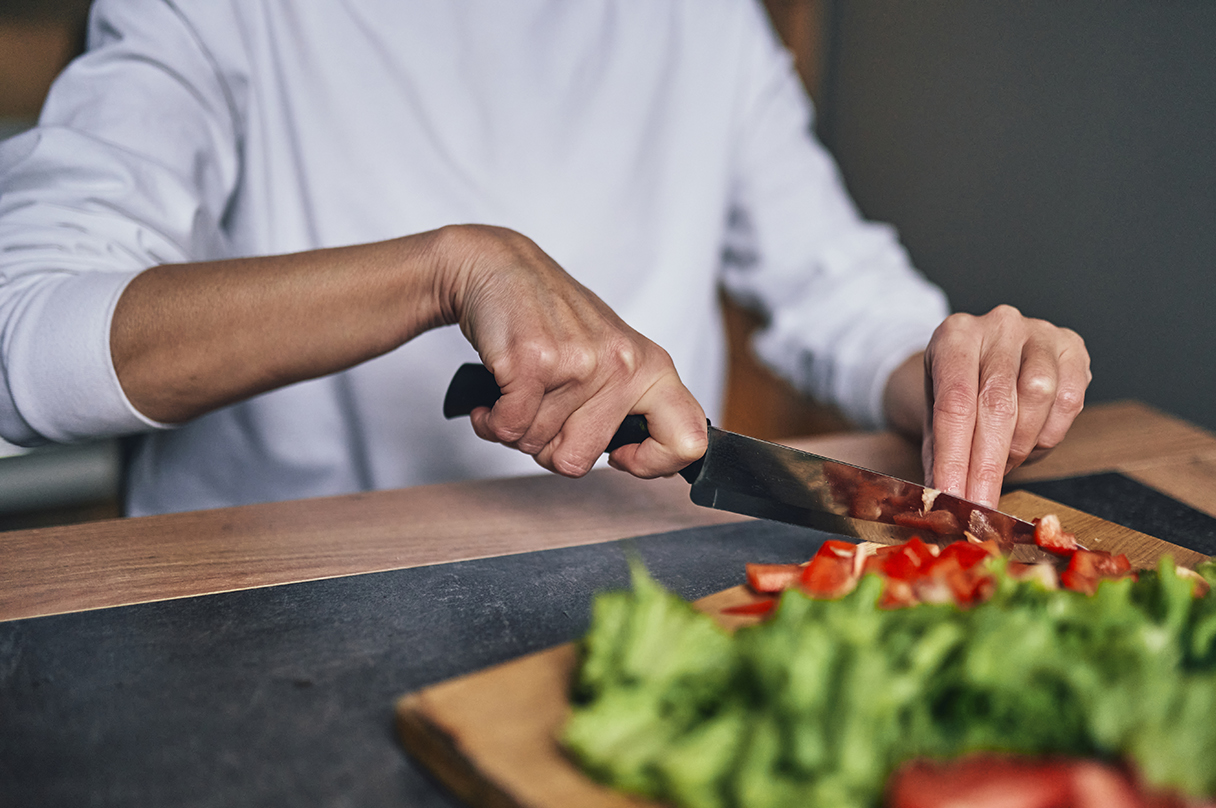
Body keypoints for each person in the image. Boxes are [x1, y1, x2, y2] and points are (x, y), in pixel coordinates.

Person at [0, 0, 1089, 517]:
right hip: (256, 618)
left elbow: (835, 284)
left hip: (626, 584)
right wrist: (450, 269)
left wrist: (961, 372)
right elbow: (26, 333)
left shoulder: (700, 22)